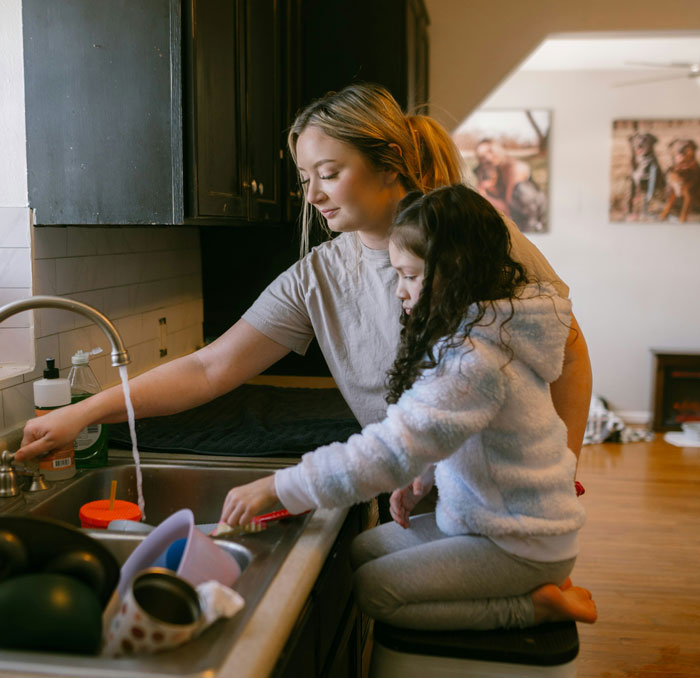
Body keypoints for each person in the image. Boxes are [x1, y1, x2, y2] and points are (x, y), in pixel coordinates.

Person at [15, 83, 591, 485]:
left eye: (330, 174)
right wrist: (83, 414)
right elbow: (208, 368)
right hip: (410, 488)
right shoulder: (319, 276)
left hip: (507, 490)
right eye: (305, 178)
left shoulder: (478, 240)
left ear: (389, 163)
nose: (312, 196)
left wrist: (564, 469)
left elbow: (567, 346)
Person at [219, 184, 597, 630]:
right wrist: (423, 477)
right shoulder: (481, 331)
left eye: (412, 275)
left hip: (520, 542)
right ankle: (535, 592)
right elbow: (461, 432)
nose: (400, 291)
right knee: (362, 551)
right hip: (496, 522)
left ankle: (534, 606)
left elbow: (392, 448)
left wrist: (280, 488)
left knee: (376, 589)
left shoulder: (474, 360)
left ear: (456, 273)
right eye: (397, 274)